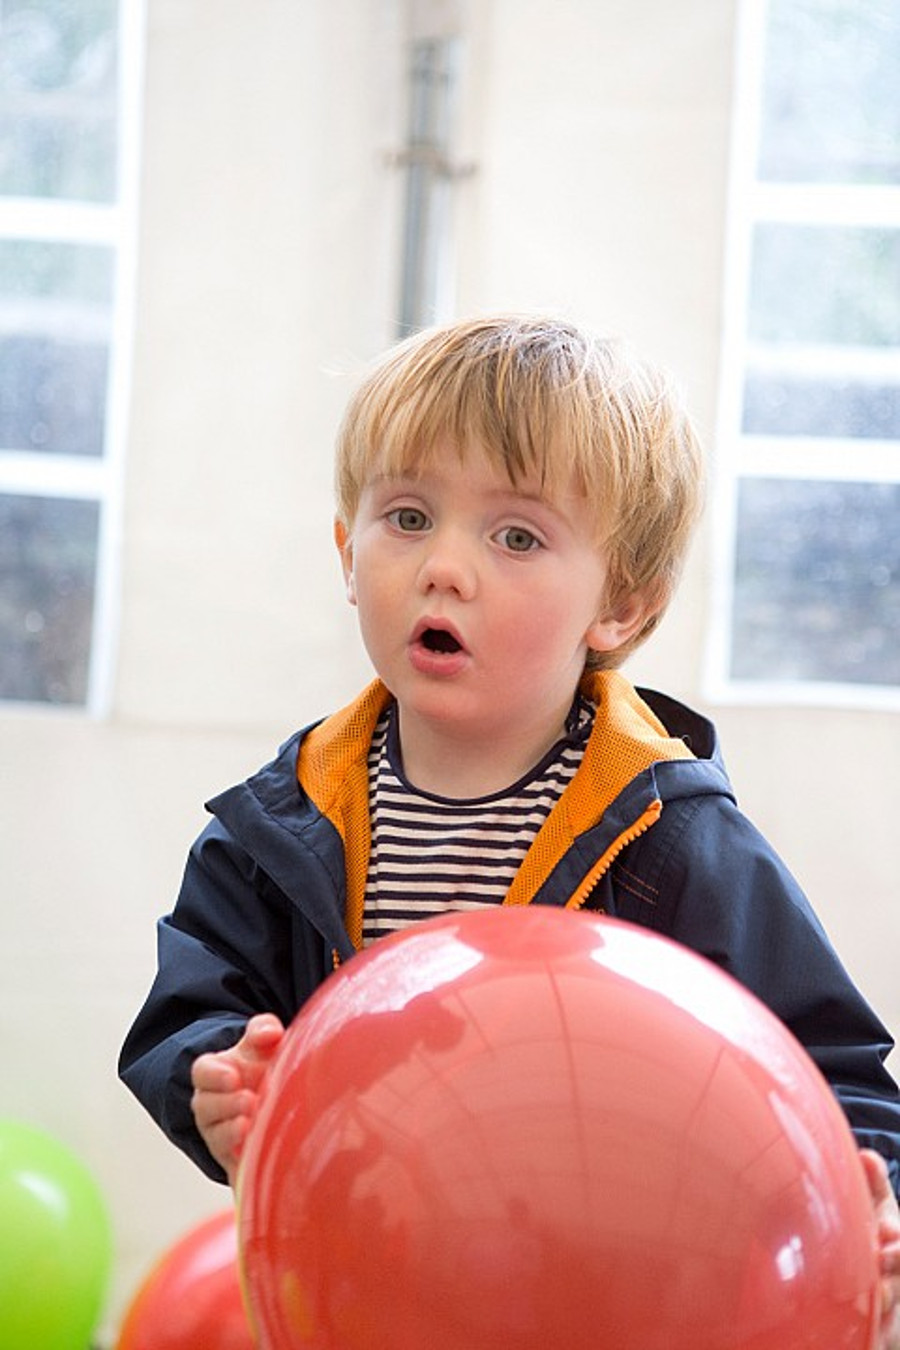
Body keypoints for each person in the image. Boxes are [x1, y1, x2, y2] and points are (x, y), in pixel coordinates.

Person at [119, 313, 900, 1342]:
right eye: (406, 517)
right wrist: (213, 1078)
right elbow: (194, 1001)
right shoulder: (285, 819)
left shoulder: (673, 834)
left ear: (617, 606)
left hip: (605, 1293)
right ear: (348, 554)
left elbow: (828, 1069)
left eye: (516, 536)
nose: (444, 566)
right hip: (362, 1285)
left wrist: (869, 1196)